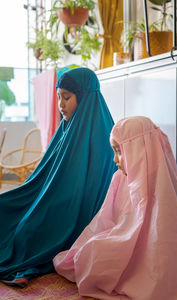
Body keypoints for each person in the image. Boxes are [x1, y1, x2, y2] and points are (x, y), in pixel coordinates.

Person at [53, 116, 177, 300]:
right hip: (123, 239)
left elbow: (165, 242)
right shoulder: (120, 178)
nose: (115, 159)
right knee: (89, 254)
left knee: (149, 274)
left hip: (151, 255)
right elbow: (104, 221)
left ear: (138, 150)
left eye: (119, 151)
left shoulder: (164, 186)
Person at [0, 67, 116, 288]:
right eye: (58, 97)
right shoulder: (67, 127)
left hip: (77, 210)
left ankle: (28, 269)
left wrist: (50, 204)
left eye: (67, 97)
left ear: (83, 97)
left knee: (27, 229)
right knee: (6, 206)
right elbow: (45, 174)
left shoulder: (102, 133)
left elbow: (92, 190)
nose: (61, 105)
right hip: (57, 198)